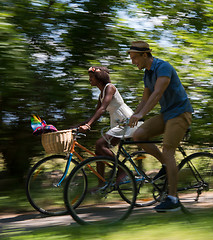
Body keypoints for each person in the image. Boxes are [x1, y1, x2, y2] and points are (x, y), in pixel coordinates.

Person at [127, 41, 193, 212]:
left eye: (134, 58)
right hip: (167, 114)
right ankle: (166, 165)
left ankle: (173, 199)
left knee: (168, 150)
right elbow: (144, 100)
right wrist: (133, 116)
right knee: (139, 135)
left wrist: (141, 115)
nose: (133, 62)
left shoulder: (163, 67)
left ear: (145, 55)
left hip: (180, 113)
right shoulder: (147, 75)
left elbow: (158, 93)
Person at [78, 66, 141, 183]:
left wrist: (88, 125)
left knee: (100, 144)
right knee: (99, 150)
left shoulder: (110, 88)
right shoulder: (101, 94)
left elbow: (102, 109)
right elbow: (96, 113)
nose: (89, 79)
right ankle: (101, 183)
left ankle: (123, 171)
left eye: (91, 77)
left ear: (99, 78)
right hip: (117, 122)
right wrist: (77, 126)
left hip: (125, 121)